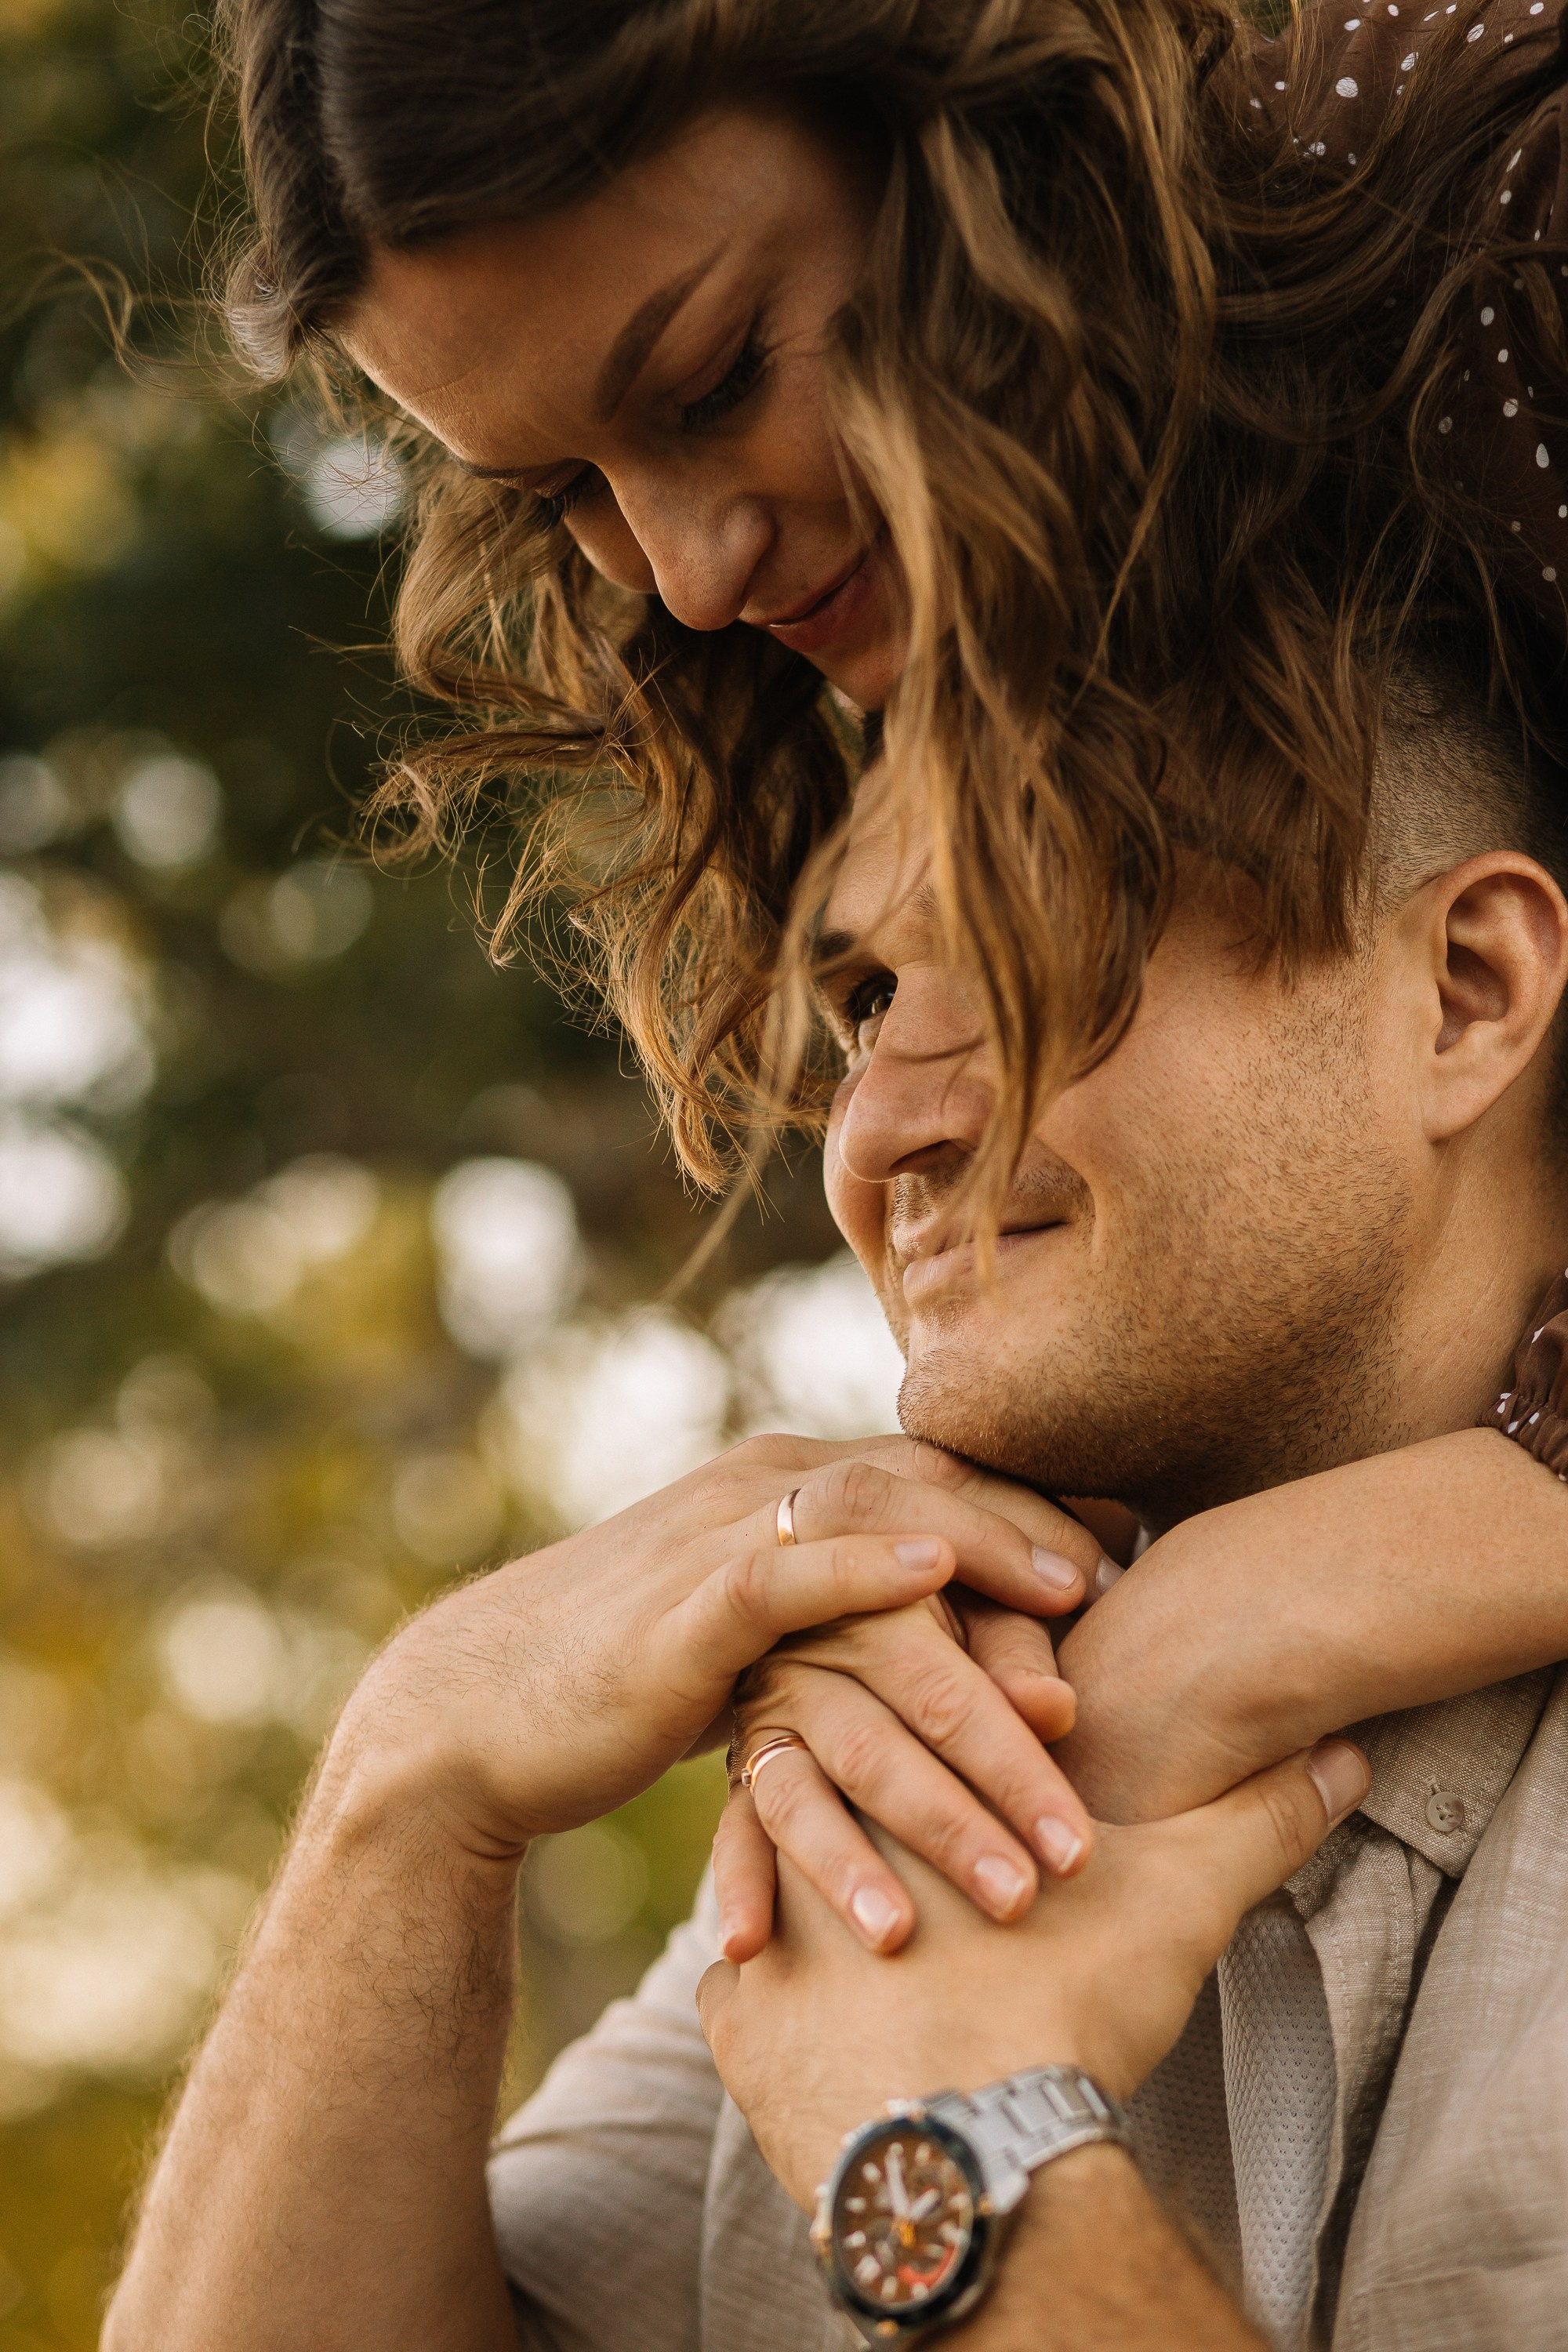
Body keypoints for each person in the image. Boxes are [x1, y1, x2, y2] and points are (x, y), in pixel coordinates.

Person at [210, 0, 1568, 1889]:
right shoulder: (900, 596)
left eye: (708, 381)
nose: (689, 574)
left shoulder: (1504, 212)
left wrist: (1319, 1584)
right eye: (562, 489)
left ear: (948, 110)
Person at [104, 647, 1568, 2350]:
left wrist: (953, 2139)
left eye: (1031, 944)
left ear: (1462, 993)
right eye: (868, 1001)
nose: (878, 1134)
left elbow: (926, 2107)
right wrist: (404, 1782)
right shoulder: (902, 1806)